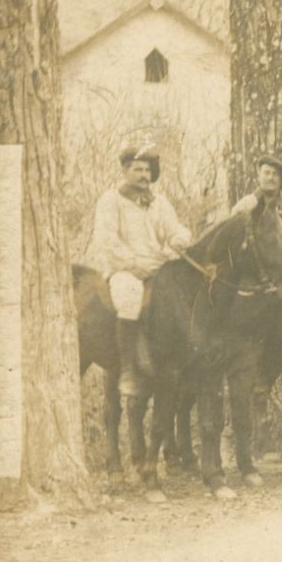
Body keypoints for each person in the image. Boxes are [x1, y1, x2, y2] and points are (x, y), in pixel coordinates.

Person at [89, 142, 193, 397]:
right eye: (137, 169)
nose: (144, 175)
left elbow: (174, 228)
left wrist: (180, 238)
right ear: (125, 170)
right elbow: (107, 240)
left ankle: (177, 359)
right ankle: (128, 369)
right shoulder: (110, 201)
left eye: (147, 170)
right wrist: (135, 263)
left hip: (157, 265)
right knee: (129, 297)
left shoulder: (159, 202)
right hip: (124, 268)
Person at [227, 155, 282, 269]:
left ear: (281, 180)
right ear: (259, 177)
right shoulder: (244, 206)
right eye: (266, 173)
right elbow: (232, 241)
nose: (270, 177)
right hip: (254, 276)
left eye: (275, 174)